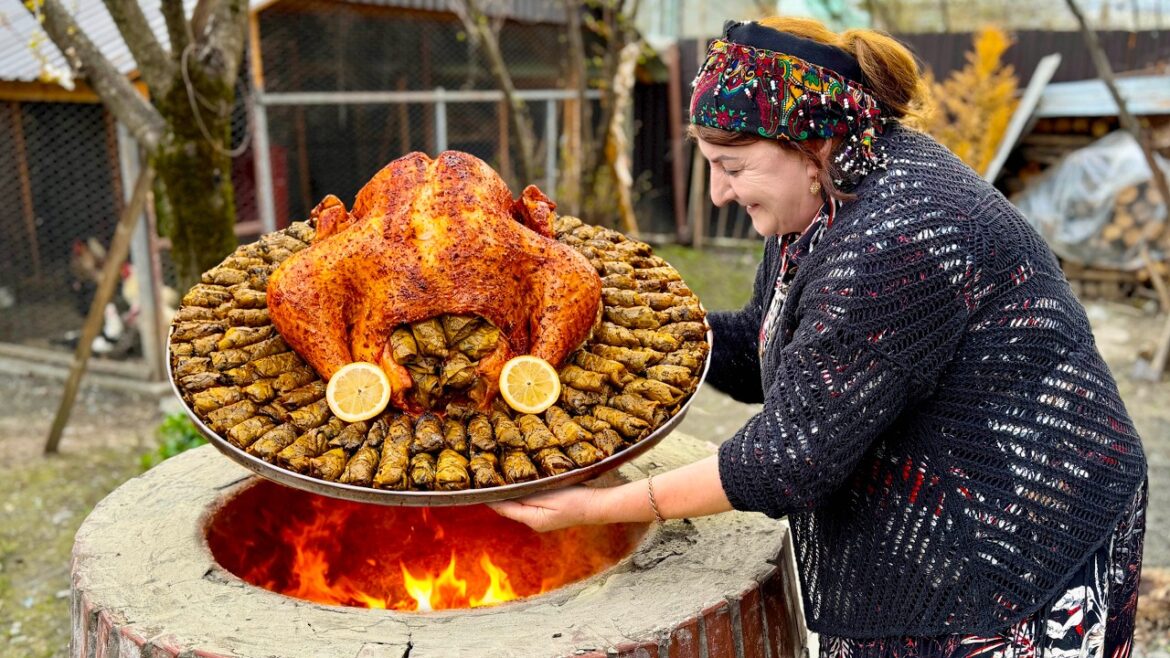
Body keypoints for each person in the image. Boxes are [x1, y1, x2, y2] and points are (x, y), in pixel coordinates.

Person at [490, 16, 1148, 658]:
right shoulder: (820, 205)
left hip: (1014, 533)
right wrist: (622, 336)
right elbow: (762, 347)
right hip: (939, 509)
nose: (718, 193)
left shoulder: (895, 236)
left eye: (732, 166)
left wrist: (595, 506)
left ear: (813, 147)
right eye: (710, 165)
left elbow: (788, 460)